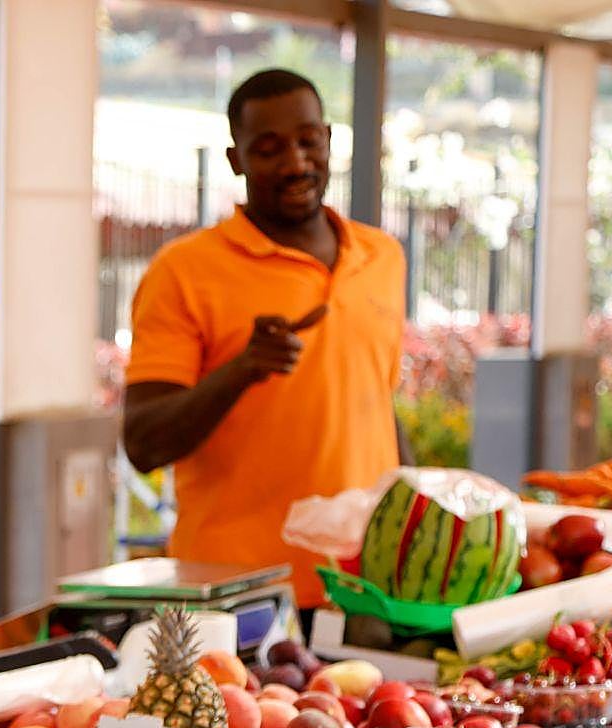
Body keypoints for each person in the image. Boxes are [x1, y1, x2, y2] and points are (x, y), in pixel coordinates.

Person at [122, 68, 408, 610]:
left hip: (367, 590)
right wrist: (243, 369)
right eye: (271, 148)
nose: (296, 163)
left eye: (307, 142)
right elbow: (143, 442)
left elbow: (377, 406)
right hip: (240, 596)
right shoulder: (184, 271)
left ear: (328, 139)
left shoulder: (382, 256)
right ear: (237, 160)